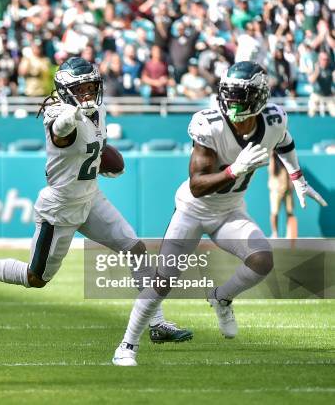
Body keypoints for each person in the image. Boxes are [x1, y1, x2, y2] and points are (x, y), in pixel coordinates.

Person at [0, 57, 192, 345]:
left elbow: (95, 143)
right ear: (65, 91)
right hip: (60, 207)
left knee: (135, 249)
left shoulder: (97, 108)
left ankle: (157, 323)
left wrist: (104, 159)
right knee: (35, 278)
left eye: (90, 87)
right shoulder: (57, 112)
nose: (87, 94)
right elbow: (61, 133)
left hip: (90, 196)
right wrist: (68, 117)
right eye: (80, 89)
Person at [113, 61, 327, 366]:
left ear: (259, 96)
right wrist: (233, 169)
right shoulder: (210, 124)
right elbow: (198, 185)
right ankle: (127, 345)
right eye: (230, 93)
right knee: (163, 281)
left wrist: (297, 177)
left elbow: (284, 141)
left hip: (230, 211)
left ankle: (221, 297)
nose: (233, 102)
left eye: (241, 95)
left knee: (262, 260)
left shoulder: (273, 118)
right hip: (192, 210)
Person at [268, 151, 295, 238]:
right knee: (274, 212)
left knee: (290, 212)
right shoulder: (272, 159)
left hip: (287, 189)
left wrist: (291, 184)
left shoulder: (287, 158)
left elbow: (292, 171)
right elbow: (272, 172)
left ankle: (290, 233)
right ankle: (275, 233)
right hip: (276, 189)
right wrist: (272, 156)